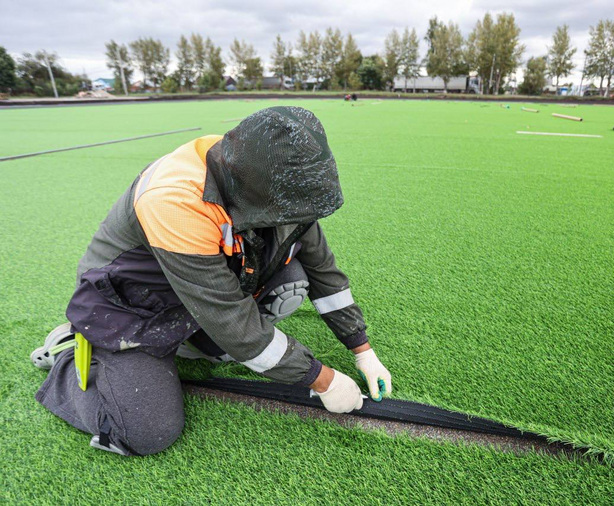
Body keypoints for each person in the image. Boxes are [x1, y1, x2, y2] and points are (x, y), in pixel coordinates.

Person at [30, 106, 392, 456]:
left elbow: (322, 271)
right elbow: (230, 319)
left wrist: (362, 350)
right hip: (129, 305)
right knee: (147, 432)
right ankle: (68, 354)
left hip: (198, 289)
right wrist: (321, 379)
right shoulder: (174, 200)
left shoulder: (266, 171)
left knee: (292, 279)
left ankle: (193, 342)